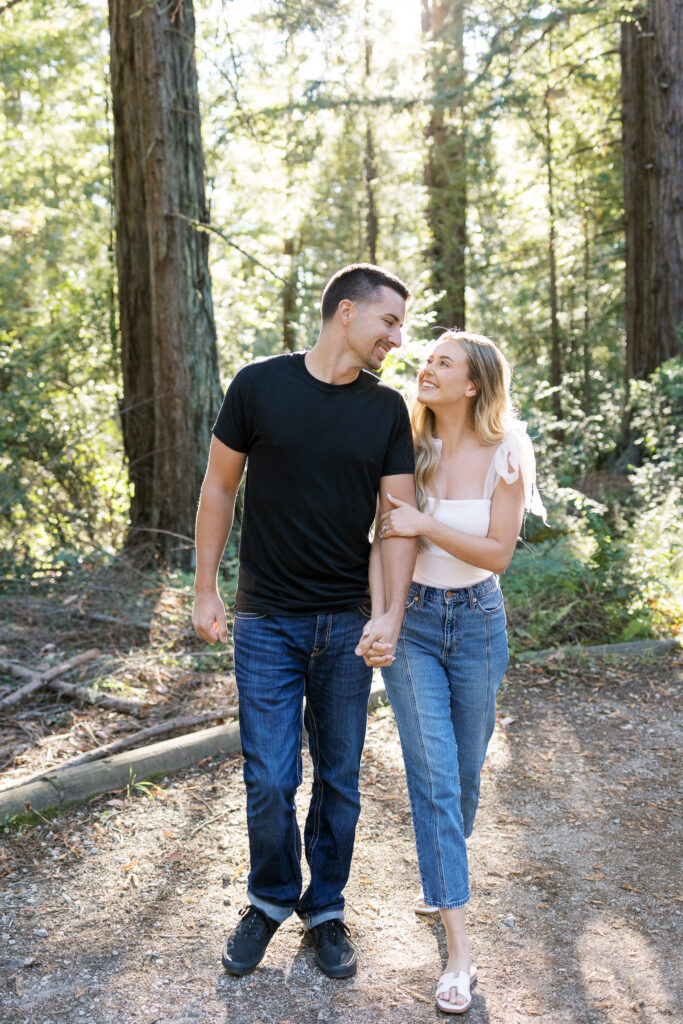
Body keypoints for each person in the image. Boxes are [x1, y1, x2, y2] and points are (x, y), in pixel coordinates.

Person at [192, 264, 418, 980]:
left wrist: (389, 613)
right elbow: (219, 487)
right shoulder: (258, 385)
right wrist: (206, 588)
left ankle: (325, 909)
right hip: (265, 619)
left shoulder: (385, 411)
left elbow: (397, 522)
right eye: (388, 322)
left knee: (341, 777)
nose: (396, 339)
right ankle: (268, 898)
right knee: (268, 776)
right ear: (345, 312)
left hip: (346, 624)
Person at [359, 330, 546, 1013]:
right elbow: (384, 538)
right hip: (410, 626)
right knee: (434, 778)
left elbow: (497, 553)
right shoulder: (403, 446)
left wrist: (425, 524)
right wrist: (381, 617)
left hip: (476, 625)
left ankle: (442, 868)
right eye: (426, 358)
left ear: (473, 385)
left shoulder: (506, 451)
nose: (425, 367)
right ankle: (460, 955)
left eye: (443, 361)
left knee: (464, 774)